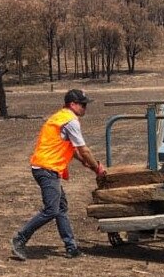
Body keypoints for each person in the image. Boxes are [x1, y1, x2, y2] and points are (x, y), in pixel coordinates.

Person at [11, 89, 106, 261]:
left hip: (45, 167)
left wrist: (84, 162)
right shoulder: (70, 121)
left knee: (60, 208)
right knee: (51, 209)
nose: (85, 108)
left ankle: (71, 247)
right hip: (46, 168)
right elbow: (84, 149)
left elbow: (72, 148)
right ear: (73, 104)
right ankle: (20, 238)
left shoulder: (60, 116)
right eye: (83, 105)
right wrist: (97, 167)